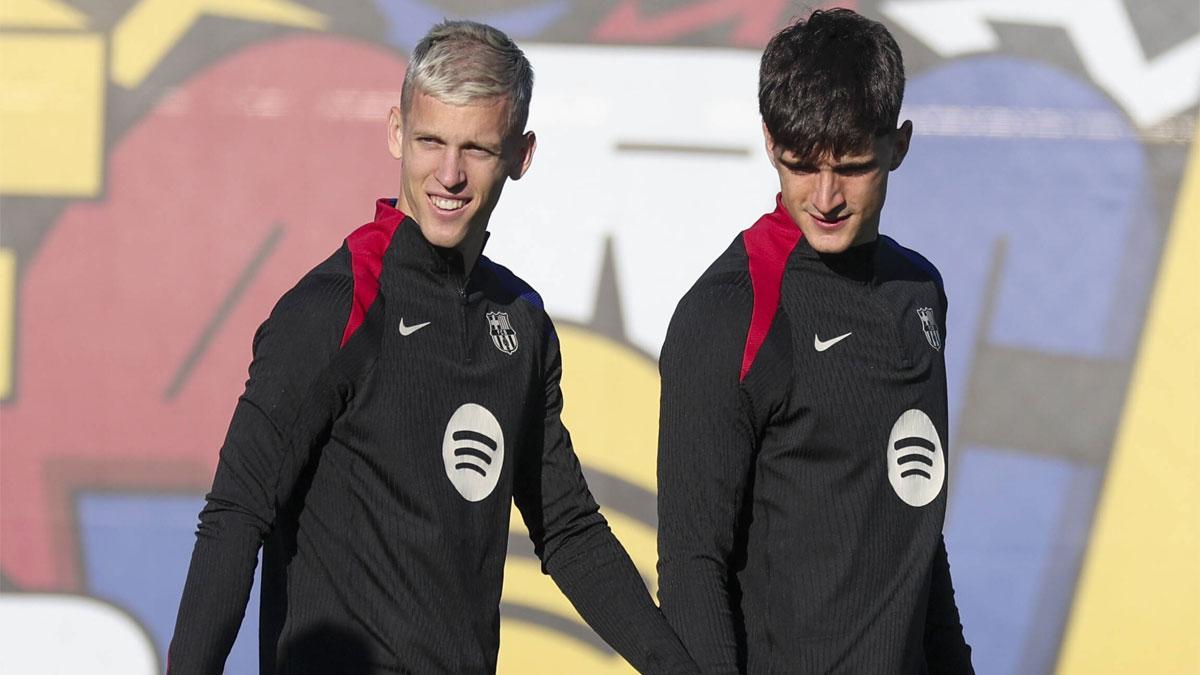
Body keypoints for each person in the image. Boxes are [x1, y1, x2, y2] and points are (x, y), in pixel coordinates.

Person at [169, 20, 696, 675]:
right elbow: (236, 514)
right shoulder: (334, 306)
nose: (448, 173)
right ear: (396, 131)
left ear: (520, 156)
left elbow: (567, 532)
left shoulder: (521, 320)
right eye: (430, 141)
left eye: (476, 148)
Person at [656, 9, 974, 674]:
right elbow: (691, 563)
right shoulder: (729, 313)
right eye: (802, 165)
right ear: (771, 142)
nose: (826, 196)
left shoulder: (919, 292)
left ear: (899, 144)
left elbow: (912, 520)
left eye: (852, 165)